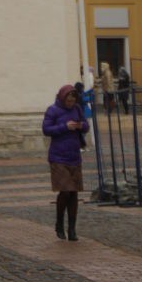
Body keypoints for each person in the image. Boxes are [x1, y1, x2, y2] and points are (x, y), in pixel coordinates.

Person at [42, 84, 89, 241]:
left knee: (74, 192)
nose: (70, 103)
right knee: (66, 190)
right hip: (58, 157)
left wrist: (80, 125)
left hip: (74, 156)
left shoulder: (77, 109)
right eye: (68, 100)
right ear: (62, 98)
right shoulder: (53, 110)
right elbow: (46, 129)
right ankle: (59, 223)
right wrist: (64, 126)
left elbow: (86, 125)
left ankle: (72, 228)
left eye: (72, 100)